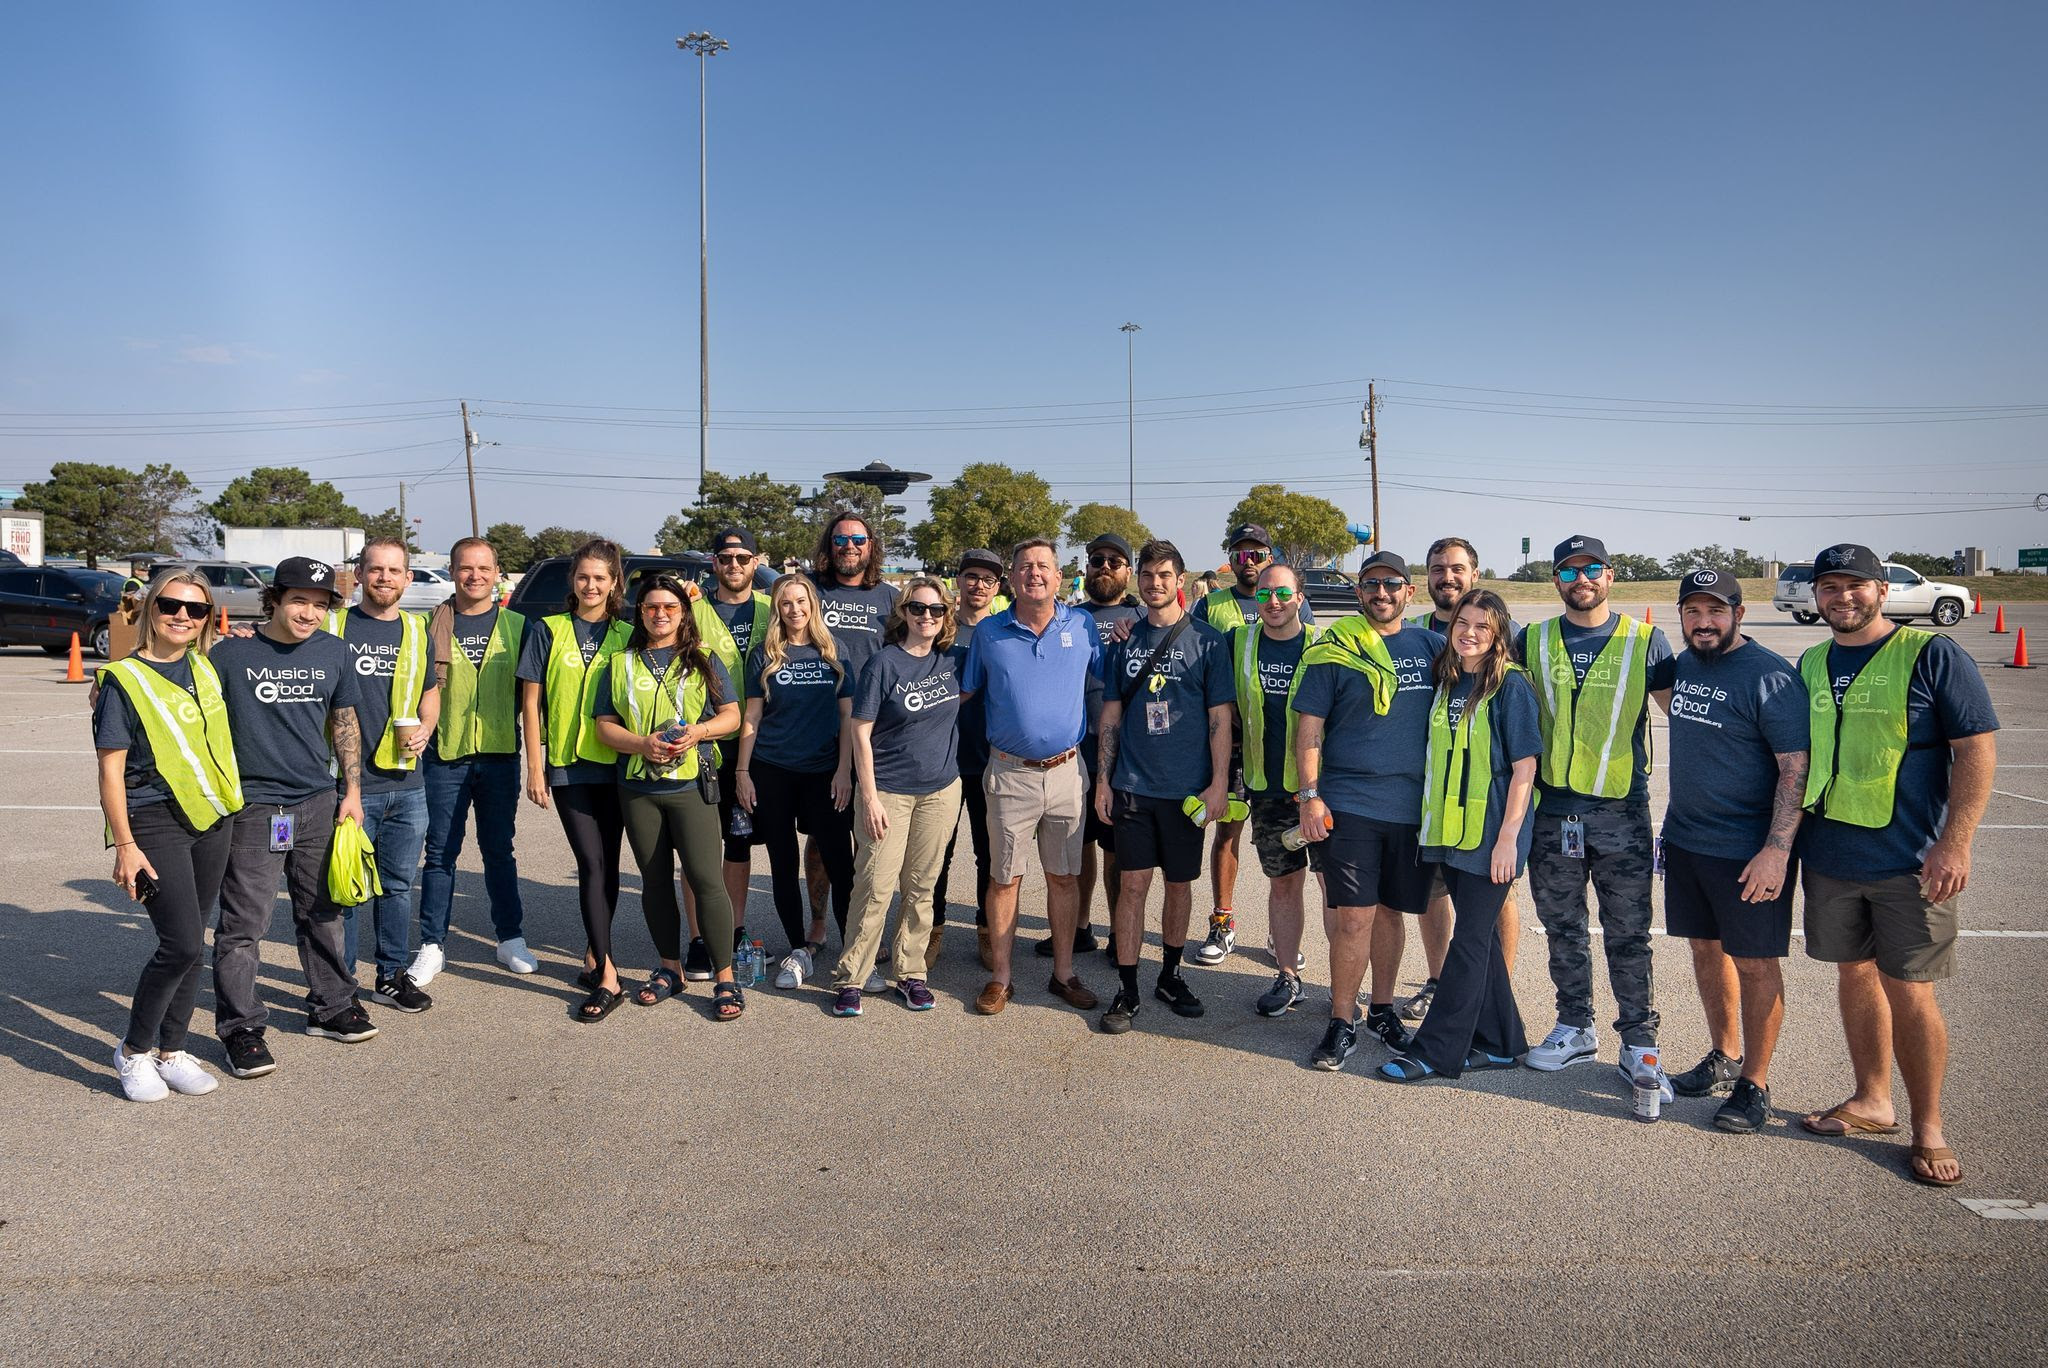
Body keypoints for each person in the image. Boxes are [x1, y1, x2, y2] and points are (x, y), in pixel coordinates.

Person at [1794, 542, 1997, 1186]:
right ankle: (1872, 1100)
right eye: (1829, 587)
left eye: (1856, 586)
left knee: (1910, 987)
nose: (1842, 597)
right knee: (1854, 973)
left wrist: (1956, 841)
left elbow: (1977, 751)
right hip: (1830, 854)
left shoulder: (1931, 654)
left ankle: (1928, 1126)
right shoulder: (1812, 661)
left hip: (1910, 859)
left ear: (1883, 591)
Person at [1649, 569, 1810, 1133]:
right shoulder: (1685, 664)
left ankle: (1755, 1083)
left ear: (1738, 613)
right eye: (1692, 612)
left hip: (1747, 852)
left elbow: (1795, 768)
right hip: (1689, 841)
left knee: (1756, 962)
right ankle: (1724, 1054)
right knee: (1705, 950)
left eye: (1715, 611)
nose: (1703, 622)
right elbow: (1682, 717)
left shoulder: (1770, 676)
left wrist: (1776, 850)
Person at [1518, 534, 1674, 1101]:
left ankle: (1638, 1039)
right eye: (1568, 572)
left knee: (1628, 933)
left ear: (1610, 576)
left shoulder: (1645, 642)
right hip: (1554, 809)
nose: (1581, 579)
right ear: (1555, 580)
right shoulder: (1530, 640)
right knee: (1563, 927)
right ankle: (1575, 1026)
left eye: (1592, 569)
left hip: (1621, 812)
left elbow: (1688, 717)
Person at [209, 557, 370, 1077]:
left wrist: (352, 791)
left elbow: (344, 721)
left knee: (322, 911)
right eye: (300, 600)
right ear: (274, 599)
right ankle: (241, 1029)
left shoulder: (334, 651)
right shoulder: (230, 654)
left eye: (321, 605)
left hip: (318, 803)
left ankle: (332, 1005)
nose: (309, 613)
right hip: (253, 807)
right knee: (243, 925)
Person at [1379, 589, 1539, 1083]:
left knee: (1468, 942)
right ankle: (1502, 1043)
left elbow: (1524, 769)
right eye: (1462, 623)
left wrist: (1509, 837)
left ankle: (1435, 1050)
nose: (1469, 633)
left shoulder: (1511, 686)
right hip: (1450, 834)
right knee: (1480, 942)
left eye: (1482, 627)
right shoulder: (1446, 680)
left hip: (1494, 836)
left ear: (1498, 635)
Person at [94, 570, 241, 1101]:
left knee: (193, 941)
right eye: (172, 605)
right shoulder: (123, 680)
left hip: (213, 819)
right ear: (152, 608)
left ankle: (172, 1050)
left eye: (196, 609)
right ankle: (133, 1053)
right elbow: (111, 771)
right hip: (154, 821)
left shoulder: (205, 667)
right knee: (178, 944)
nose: (183, 616)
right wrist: (125, 845)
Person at [1293, 549, 1443, 1070]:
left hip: (1412, 808)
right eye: (1372, 584)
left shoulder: (1433, 647)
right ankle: (1340, 1020)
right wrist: (1309, 795)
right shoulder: (1333, 646)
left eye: (1392, 584)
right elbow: (1308, 726)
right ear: (1359, 593)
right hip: (1349, 802)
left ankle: (1382, 1010)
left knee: (1390, 913)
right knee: (1353, 916)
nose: (1382, 593)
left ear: (1410, 591)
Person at [590, 573, 745, 1023]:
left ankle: (724, 976)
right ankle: (669, 968)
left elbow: (731, 716)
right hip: (638, 788)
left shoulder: (704, 660)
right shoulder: (620, 663)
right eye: (652, 607)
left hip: (691, 786)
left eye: (670, 607)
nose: (661, 614)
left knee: (706, 880)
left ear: (683, 613)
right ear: (640, 613)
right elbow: (604, 724)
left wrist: (698, 731)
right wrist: (641, 744)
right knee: (654, 880)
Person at [1094, 539, 1233, 1034]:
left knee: (1179, 885)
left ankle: (1170, 976)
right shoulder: (1123, 642)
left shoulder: (1209, 641)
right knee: (1132, 885)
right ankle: (1128, 987)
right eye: (1147, 575)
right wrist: (1104, 781)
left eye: (1165, 575)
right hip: (1132, 785)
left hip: (1186, 791)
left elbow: (1220, 719)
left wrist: (1218, 784)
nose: (1155, 583)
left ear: (1180, 580)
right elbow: (1111, 713)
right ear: (1138, 579)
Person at [960, 537, 1102, 1015]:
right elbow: (962, 694)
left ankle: (1063, 973)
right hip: (1009, 775)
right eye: (1025, 567)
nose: (1034, 573)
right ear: (1012, 579)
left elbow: (1112, 681)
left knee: (1064, 879)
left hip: (1066, 773)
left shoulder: (1083, 626)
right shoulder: (990, 633)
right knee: (1004, 880)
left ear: (1061, 578)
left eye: (1044, 566)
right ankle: (1001, 977)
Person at [1400, 536, 1523, 1020]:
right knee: (1432, 896)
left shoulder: (1506, 637)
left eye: (1456, 569)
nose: (1446, 577)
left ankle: (1497, 990)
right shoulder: (1415, 637)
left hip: (1483, 806)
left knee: (1495, 900)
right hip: (1429, 800)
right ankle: (1438, 981)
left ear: (1475, 576)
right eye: (1436, 569)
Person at [831, 577, 963, 1015]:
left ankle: (910, 974)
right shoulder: (884, 664)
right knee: (874, 887)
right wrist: (868, 797)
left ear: (946, 616)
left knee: (922, 887)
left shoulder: (952, 661)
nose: (927, 616)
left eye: (936, 610)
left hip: (941, 792)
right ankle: (852, 976)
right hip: (888, 792)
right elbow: (860, 730)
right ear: (904, 613)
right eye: (919, 609)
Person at [410, 536, 535, 990]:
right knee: (441, 852)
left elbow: (536, 699)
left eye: (483, 568)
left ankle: (510, 938)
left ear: (497, 573)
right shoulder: (426, 625)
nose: (475, 576)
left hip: (500, 754)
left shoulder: (520, 626)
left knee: (499, 849)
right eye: (466, 568)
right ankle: (432, 944)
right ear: (452, 570)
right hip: (444, 756)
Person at [322, 537, 439, 1015]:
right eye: (376, 570)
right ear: (359, 575)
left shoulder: (417, 630)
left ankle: (390, 975)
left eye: (394, 571)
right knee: (345, 889)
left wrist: (427, 727)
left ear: (408, 579)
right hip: (343, 784)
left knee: (396, 887)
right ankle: (340, 982)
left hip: (406, 785)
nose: (385, 578)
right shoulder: (330, 625)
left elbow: (430, 691)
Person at [517, 538, 634, 1012]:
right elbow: (531, 702)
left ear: (614, 584)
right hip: (568, 766)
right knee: (591, 862)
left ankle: (592, 952)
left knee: (608, 864)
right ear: (573, 581)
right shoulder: (548, 629)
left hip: (619, 766)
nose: (590, 585)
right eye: (583, 577)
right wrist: (535, 766)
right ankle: (608, 973)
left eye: (600, 578)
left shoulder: (628, 633)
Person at [1193, 523, 1316, 965]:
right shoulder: (1215, 607)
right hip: (1241, 753)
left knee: (1295, 859)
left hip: (1299, 766)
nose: (1248, 561)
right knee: (1228, 833)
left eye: (1256, 553)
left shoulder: (1311, 626)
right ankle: (1222, 921)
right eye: (1239, 554)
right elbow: (1194, 660)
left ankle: (1279, 940)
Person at [735, 573, 856, 990]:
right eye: (785, 602)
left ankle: (853, 951)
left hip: (825, 773)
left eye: (801, 601)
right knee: (783, 865)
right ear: (777, 609)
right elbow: (751, 718)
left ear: (813, 604)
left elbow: (847, 719)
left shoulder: (834, 652)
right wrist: (742, 772)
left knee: (842, 865)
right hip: (773, 771)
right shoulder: (763, 656)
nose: (794, 609)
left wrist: (844, 770)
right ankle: (797, 950)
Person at [1225, 559, 1320, 1016]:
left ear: (1300, 597)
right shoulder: (1238, 642)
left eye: (1283, 593)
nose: (1274, 601)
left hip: (1322, 793)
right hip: (1268, 792)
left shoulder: (1327, 644)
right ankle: (1288, 976)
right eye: (1264, 594)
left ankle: (1347, 991)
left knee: (1337, 891)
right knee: (1284, 885)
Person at [1043, 532, 1141, 965]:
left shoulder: (1142, 617)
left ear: (1128, 571)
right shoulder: (1067, 616)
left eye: (1115, 562)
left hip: (1125, 753)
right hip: (1074, 750)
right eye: (1097, 559)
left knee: (1117, 848)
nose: (1104, 567)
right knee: (1076, 842)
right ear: (1085, 566)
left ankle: (1121, 932)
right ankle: (1080, 929)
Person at [803, 512, 898, 947]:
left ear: (871, 545)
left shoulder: (891, 599)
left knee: (870, 842)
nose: (850, 546)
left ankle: (861, 928)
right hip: (818, 733)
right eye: (841, 539)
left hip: (874, 737)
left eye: (859, 538)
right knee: (823, 840)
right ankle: (819, 923)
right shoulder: (810, 591)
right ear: (830, 546)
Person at [685, 526, 773, 979]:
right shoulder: (691, 608)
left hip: (757, 746)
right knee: (697, 848)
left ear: (756, 562)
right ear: (713, 563)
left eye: (743, 558)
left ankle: (734, 933)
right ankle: (700, 940)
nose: (734, 566)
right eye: (725, 558)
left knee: (738, 844)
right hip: (703, 742)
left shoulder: (772, 606)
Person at [934, 548, 1003, 966]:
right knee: (936, 851)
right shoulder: (937, 627)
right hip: (940, 757)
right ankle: (932, 927)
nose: (978, 585)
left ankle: (985, 928)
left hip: (990, 758)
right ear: (958, 581)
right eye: (971, 577)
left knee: (989, 852)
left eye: (988, 580)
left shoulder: (1002, 631)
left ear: (998, 587)